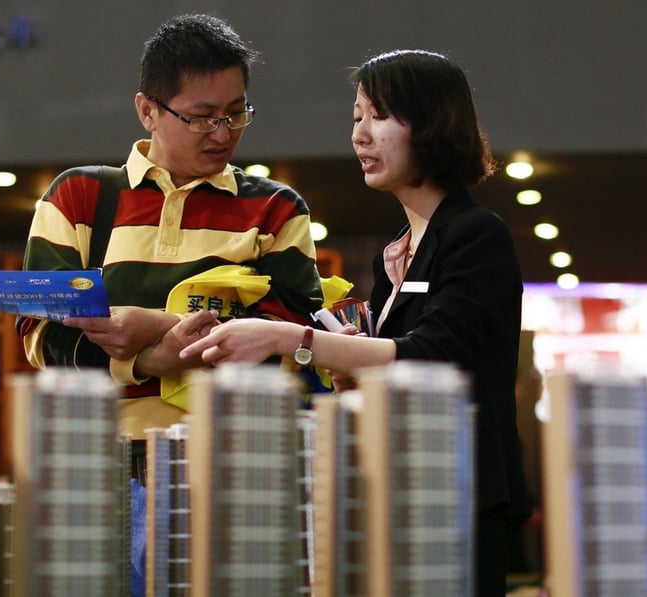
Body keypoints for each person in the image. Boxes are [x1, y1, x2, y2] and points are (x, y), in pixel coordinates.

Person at [180, 49, 531, 596]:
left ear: (435, 123)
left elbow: (436, 357)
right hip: (398, 487)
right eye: (356, 118)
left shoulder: (475, 234)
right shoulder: (393, 254)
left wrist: (290, 337)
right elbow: (398, 368)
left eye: (379, 116)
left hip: (455, 489)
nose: (360, 136)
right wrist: (355, 370)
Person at [18, 13, 323, 442]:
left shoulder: (275, 208)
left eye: (236, 114)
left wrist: (161, 326)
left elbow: (293, 344)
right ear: (147, 111)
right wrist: (150, 362)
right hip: (103, 459)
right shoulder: (78, 196)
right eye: (202, 117)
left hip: (228, 459)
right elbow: (40, 334)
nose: (222, 134)